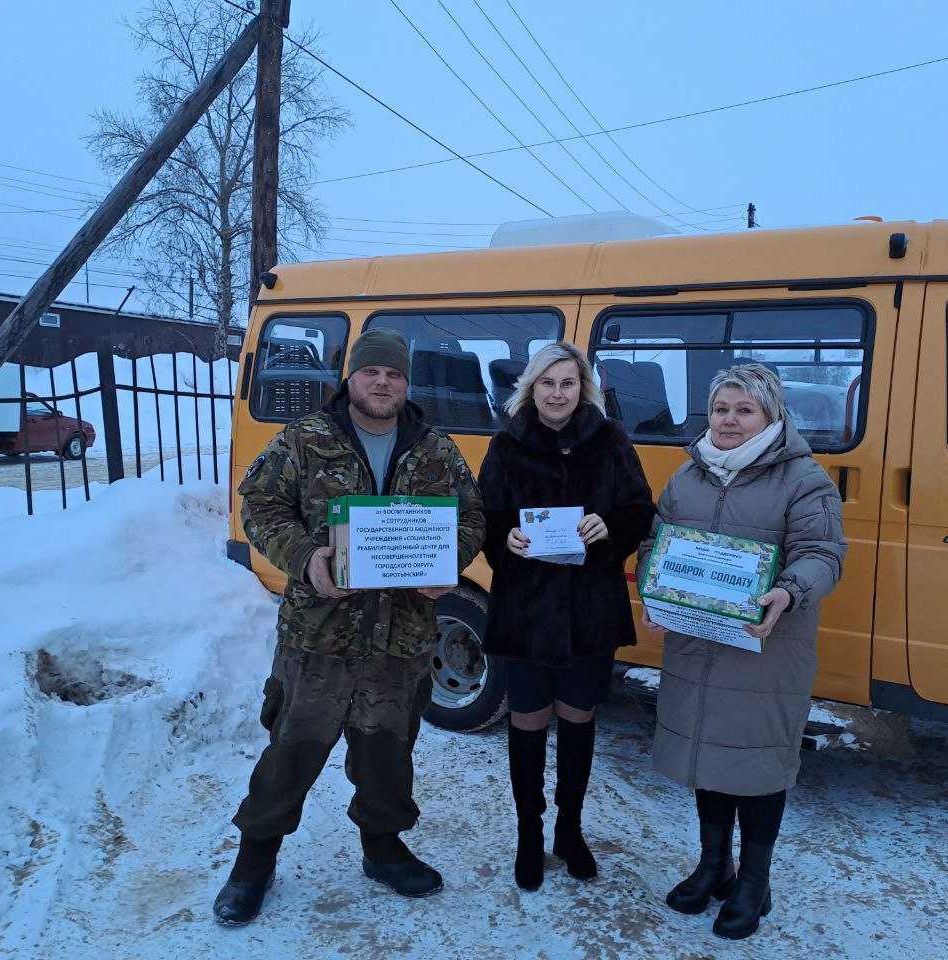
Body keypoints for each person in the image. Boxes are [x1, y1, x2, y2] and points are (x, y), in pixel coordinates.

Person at [213, 329, 485, 925]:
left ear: (406, 382)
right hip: (320, 637)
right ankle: (254, 861)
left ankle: (383, 848)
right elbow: (257, 504)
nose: (382, 382)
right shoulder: (307, 440)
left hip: (402, 638)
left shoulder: (436, 448)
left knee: (388, 756)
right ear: (350, 378)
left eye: (393, 373)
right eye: (371, 372)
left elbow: (471, 517)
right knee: (290, 754)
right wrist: (306, 557)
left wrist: (449, 563)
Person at [638, 362, 846, 941]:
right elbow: (658, 543)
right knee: (711, 754)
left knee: (755, 762)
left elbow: (823, 554)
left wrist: (789, 589)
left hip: (765, 647)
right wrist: (652, 586)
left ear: (771, 415)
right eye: (721, 410)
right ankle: (713, 865)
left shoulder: (804, 481)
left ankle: (754, 879)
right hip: (699, 643)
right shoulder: (689, 476)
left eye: (743, 410)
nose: (729, 421)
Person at [478, 341, 655, 891]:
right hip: (526, 608)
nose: (558, 393)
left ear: (584, 389)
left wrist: (612, 529)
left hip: (588, 608)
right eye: (549, 383)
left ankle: (569, 830)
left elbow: (639, 510)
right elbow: (483, 516)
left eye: (569, 383)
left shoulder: (611, 440)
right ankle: (528, 833)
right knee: (527, 720)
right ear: (532, 388)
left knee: (578, 719)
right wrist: (501, 536)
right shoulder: (506, 444)